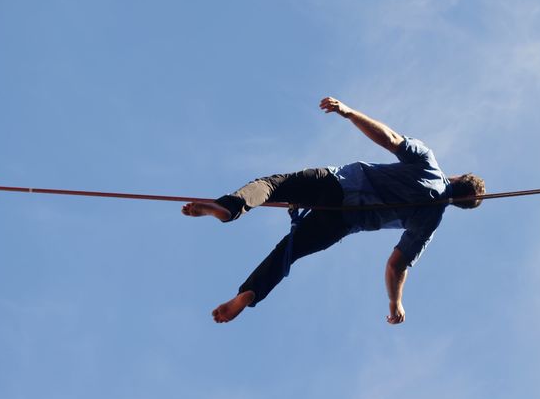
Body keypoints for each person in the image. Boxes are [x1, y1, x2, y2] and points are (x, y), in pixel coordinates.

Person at [182, 97, 486, 325]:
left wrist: (349, 112)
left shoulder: (429, 164)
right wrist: (396, 303)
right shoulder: (429, 221)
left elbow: (390, 139)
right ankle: (249, 293)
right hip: (341, 222)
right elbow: (396, 266)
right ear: (459, 205)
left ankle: (228, 206)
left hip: (336, 184)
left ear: (457, 178)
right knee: (286, 253)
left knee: (272, 186)